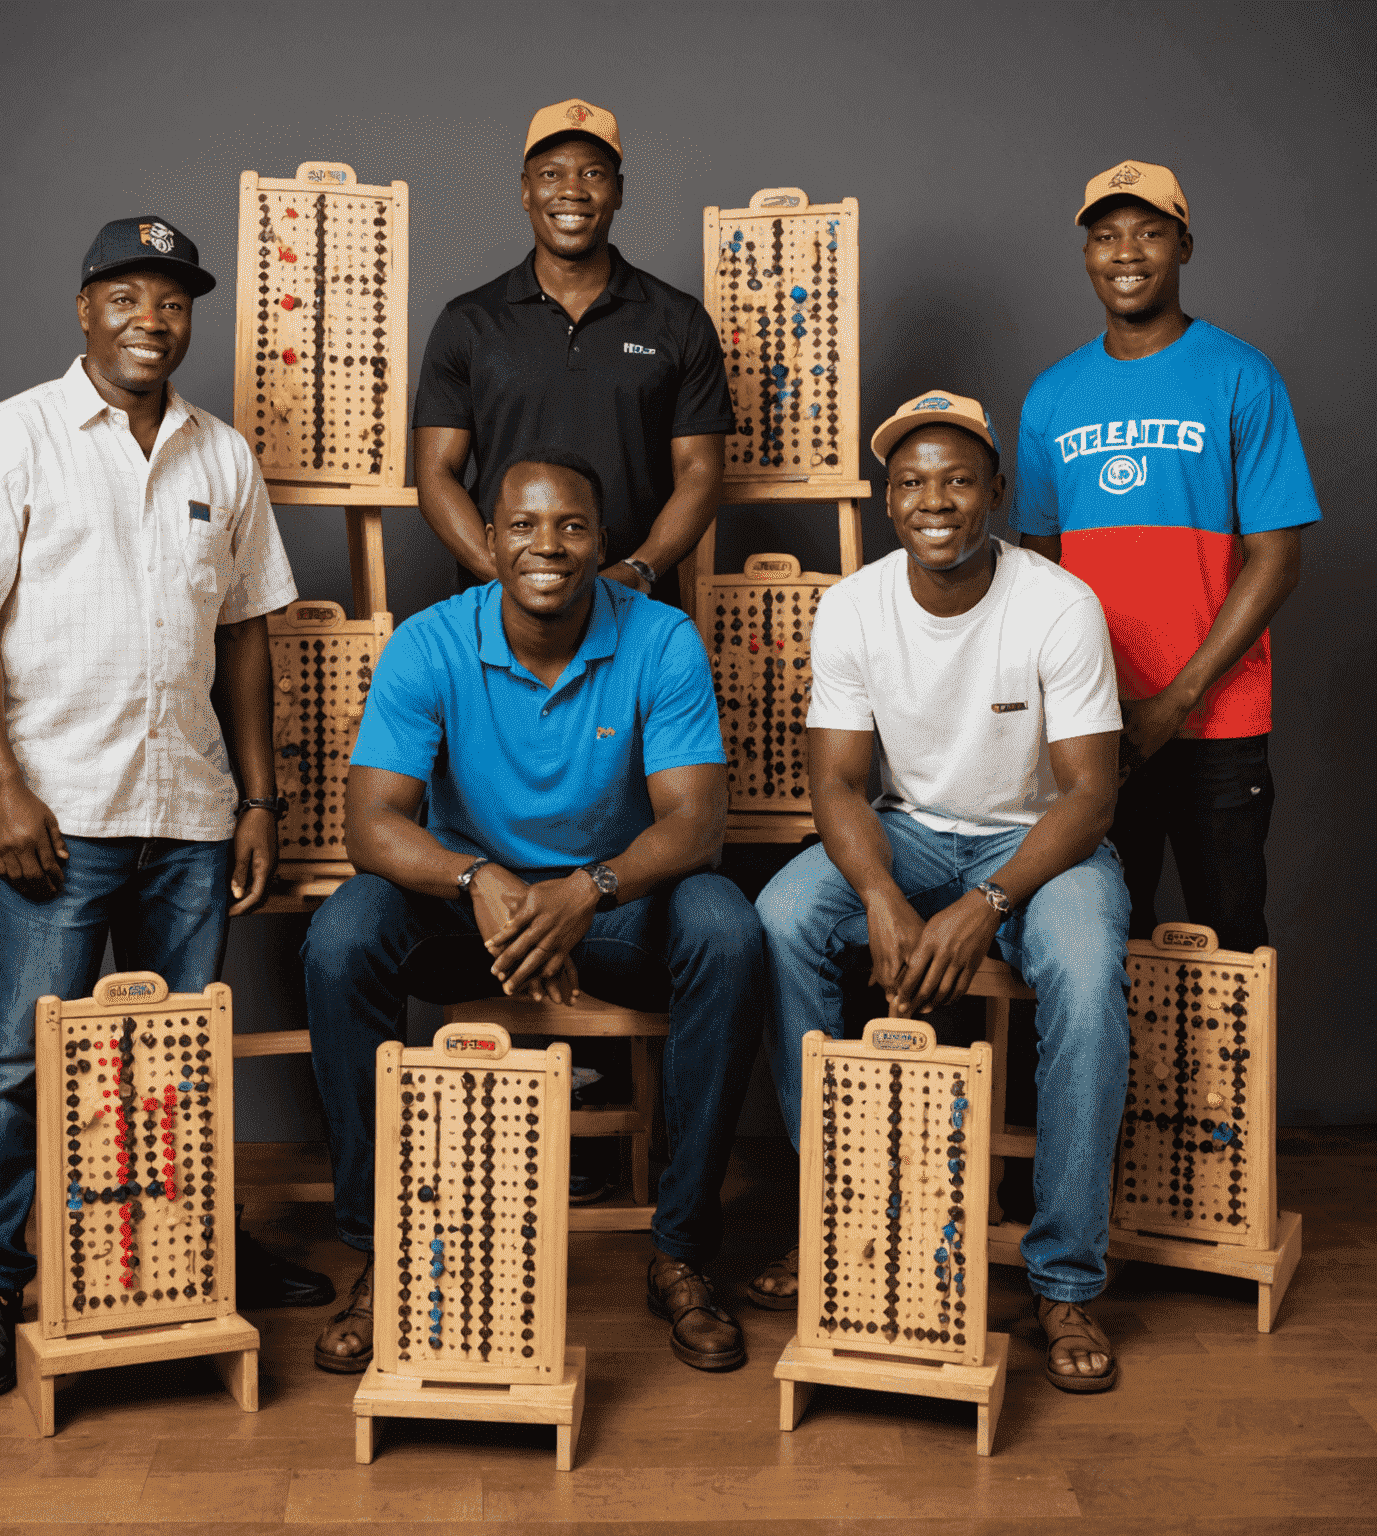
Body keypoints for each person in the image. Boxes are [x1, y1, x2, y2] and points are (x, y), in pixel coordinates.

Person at [0, 216, 332, 1400]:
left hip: (190, 812)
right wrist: (2, 785)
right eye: (128, 298)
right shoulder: (14, 437)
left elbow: (249, 636)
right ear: (84, 308)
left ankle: (200, 1254)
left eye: (174, 302)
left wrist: (257, 798)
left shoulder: (224, 456)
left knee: (176, 1058)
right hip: (56, 808)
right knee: (14, 1063)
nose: (154, 321)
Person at [302, 448, 763, 1374]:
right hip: (467, 915)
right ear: (487, 538)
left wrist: (583, 893)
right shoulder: (431, 642)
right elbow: (370, 824)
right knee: (343, 936)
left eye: (570, 525)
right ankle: (377, 1253)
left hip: (614, 911)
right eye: (521, 525)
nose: (545, 545)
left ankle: (680, 1251)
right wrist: (479, 882)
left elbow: (696, 825)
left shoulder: (662, 637)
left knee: (727, 927)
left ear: (602, 543)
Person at [750, 391, 1131, 1392]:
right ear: (888, 500)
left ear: (995, 493)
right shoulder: (854, 606)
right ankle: (837, 1223)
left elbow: (1093, 793)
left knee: (1088, 975)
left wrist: (990, 903)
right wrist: (879, 891)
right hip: (911, 834)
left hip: (1043, 841)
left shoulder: (1059, 604)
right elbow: (835, 781)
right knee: (784, 916)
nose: (936, 499)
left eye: (958, 479)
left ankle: (1064, 1280)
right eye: (913, 481)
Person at [1009, 161, 1321, 953]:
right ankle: (1115, 1089)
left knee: (1231, 946)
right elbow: (1034, 573)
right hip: (1092, 730)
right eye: (1106, 235)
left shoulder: (1242, 376)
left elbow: (1277, 561)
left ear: (1184, 244)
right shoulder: (1051, 396)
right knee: (1096, 948)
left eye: (1149, 232)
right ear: (1085, 255)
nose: (1126, 252)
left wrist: (1175, 699)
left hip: (1215, 721)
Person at [413, 98, 734, 601]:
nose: (571, 190)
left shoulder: (679, 320)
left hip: (634, 608)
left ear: (619, 192)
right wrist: (505, 578)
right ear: (525, 191)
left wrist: (637, 572)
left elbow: (700, 472)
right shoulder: (468, 322)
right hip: (498, 608)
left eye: (593, 173)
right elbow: (435, 472)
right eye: (550, 173)